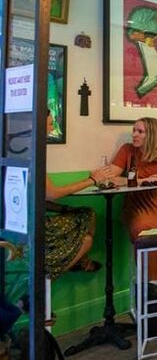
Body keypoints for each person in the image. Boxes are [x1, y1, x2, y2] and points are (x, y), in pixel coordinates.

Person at [106, 117, 157, 282]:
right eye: (134, 131)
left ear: (152, 134)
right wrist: (145, 180)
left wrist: (131, 181)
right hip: (139, 202)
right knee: (141, 229)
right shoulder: (127, 150)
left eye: (140, 131)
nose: (134, 135)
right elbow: (109, 178)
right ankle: (148, 282)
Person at [44, 112, 111, 278]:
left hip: (30, 220)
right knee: (87, 240)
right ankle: (56, 272)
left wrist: (65, 208)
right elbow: (51, 194)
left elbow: (40, 199)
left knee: (87, 213)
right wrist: (91, 180)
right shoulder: (33, 156)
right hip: (36, 227)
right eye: (50, 124)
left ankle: (80, 258)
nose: (52, 128)